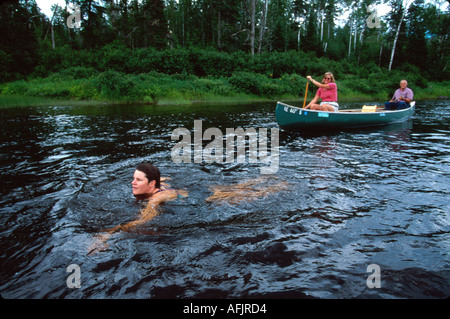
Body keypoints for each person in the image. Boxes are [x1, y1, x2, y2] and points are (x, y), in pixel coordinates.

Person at [88, 163, 187, 255]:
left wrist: (110, 233)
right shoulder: (154, 186)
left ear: (152, 183)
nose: (132, 183)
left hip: (181, 197)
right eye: (133, 178)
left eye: (138, 180)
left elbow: (144, 220)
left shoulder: (155, 199)